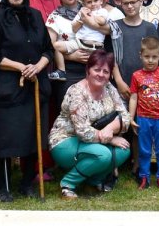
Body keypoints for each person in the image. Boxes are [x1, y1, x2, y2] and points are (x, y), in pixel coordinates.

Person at [0, 0, 51, 201]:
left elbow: (48, 51)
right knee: (5, 138)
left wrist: (37, 67)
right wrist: (21, 67)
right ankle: (2, 187)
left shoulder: (36, 16)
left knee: (32, 136)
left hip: (34, 84)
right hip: (7, 86)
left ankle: (27, 183)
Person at [49, 51, 131, 199]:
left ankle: (93, 182)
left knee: (124, 150)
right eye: (97, 70)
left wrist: (110, 128)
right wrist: (111, 139)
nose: (101, 74)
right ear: (88, 70)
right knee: (103, 154)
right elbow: (82, 131)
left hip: (94, 141)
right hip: (65, 140)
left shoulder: (109, 88)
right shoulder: (77, 92)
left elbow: (125, 116)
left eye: (105, 71)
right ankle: (68, 184)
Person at [128, 35, 159, 189]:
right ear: (140, 55)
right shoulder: (136, 76)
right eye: (147, 56)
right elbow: (133, 97)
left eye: (154, 57)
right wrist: (130, 117)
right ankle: (144, 177)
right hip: (143, 118)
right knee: (144, 150)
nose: (150, 60)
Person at [111, 0, 159, 103]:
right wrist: (119, 81)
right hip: (122, 85)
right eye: (125, 3)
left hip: (146, 85)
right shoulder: (115, 26)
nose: (130, 6)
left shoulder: (149, 28)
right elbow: (111, 56)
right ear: (121, 4)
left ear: (141, 2)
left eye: (133, 2)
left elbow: (156, 56)